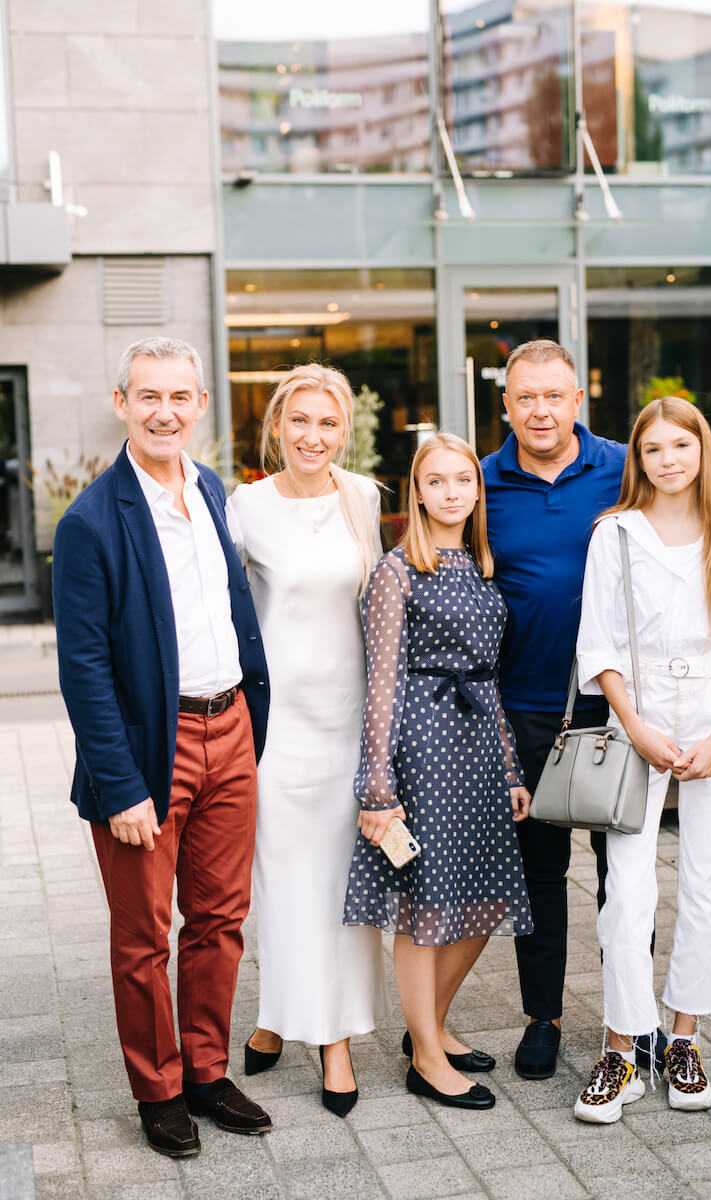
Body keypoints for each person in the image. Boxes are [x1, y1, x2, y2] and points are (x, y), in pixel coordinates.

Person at [52, 338, 272, 1158]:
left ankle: (207, 1072)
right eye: (149, 396)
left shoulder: (210, 489)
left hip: (231, 730)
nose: (165, 412)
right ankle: (159, 1089)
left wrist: (251, 720)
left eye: (180, 397)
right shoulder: (89, 522)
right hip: (152, 748)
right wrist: (119, 787)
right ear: (121, 403)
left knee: (219, 919)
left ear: (201, 405)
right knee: (143, 936)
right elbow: (83, 668)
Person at [573, 397, 711, 1123]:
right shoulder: (616, 534)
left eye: (680, 446)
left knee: (709, 884)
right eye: (653, 449)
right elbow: (597, 645)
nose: (668, 461)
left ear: (702, 451)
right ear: (637, 458)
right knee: (627, 893)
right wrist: (635, 726)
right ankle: (623, 1047)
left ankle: (683, 1039)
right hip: (639, 714)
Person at [344, 432, 534, 1111]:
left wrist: (510, 768)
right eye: (437, 481)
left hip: (479, 747)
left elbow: (490, 678)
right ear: (418, 493)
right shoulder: (397, 571)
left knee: (487, 898)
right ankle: (426, 1057)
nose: (452, 492)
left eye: (463, 480)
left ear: (477, 491)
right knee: (424, 907)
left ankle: (431, 1025)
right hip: (423, 749)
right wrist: (377, 785)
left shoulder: (482, 565)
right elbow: (381, 681)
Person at [226, 363, 389, 1118]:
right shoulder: (245, 507)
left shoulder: (364, 497)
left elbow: (379, 610)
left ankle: (321, 1033)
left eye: (327, 423)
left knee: (342, 887)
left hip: (350, 725)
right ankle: (298, 1025)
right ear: (277, 426)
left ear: (344, 431)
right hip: (277, 732)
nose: (312, 436)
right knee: (285, 887)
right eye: (300, 420)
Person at [481, 339, 630, 1081]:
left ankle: (628, 1020)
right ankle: (544, 1017)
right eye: (525, 397)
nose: (540, 410)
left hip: (616, 708)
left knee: (622, 873)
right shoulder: (480, 483)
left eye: (553, 395)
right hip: (523, 712)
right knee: (539, 873)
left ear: (577, 400)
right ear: (506, 404)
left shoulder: (626, 468)